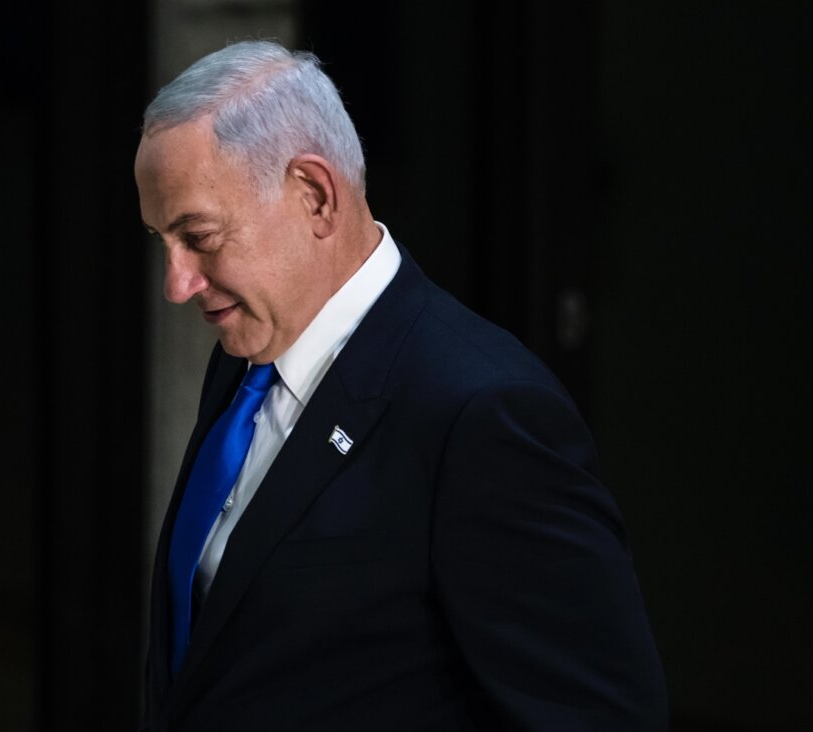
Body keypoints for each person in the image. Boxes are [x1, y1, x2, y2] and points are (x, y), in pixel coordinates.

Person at [135, 41, 666, 730]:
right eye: (161, 241)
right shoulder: (244, 353)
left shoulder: (483, 412)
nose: (178, 284)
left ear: (315, 196)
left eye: (199, 236)